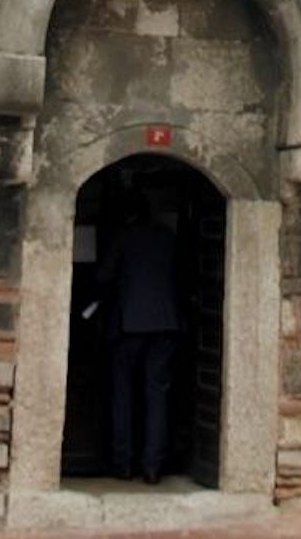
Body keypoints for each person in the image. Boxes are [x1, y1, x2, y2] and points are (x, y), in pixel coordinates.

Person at [97, 189, 182, 483]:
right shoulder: (168, 237)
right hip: (166, 324)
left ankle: (122, 464)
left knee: (123, 394)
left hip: (129, 325)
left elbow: (103, 276)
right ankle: (152, 467)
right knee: (156, 395)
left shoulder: (123, 235)